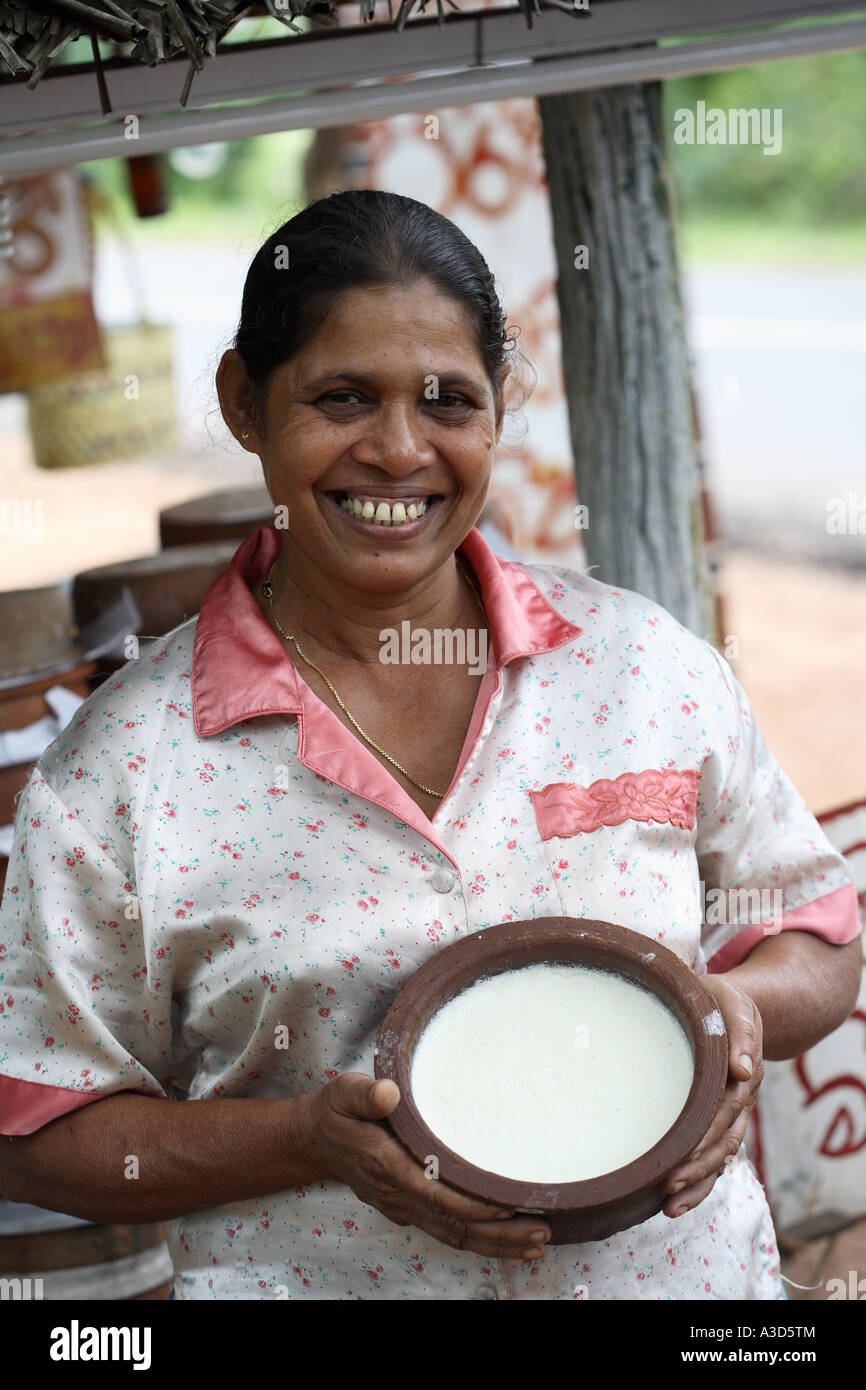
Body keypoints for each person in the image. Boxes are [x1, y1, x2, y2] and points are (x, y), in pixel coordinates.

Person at [0, 190, 860, 1301]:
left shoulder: (638, 666)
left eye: (447, 399)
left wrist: (737, 1013)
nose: (398, 450)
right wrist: (307, 1140)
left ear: (498, 407)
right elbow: (36, 1122)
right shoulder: (127, 767)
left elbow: (810, 930)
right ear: (243, 402)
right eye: (341, 396)